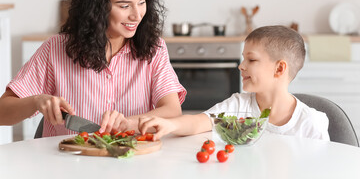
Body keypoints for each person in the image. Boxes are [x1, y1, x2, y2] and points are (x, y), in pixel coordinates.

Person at [0, 0, 186, 137]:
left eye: (142, 2)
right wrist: (36, 101)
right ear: (96, 6)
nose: (137, 15)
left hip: (130, 161)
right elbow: (2, 113)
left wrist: (128, 123)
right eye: (124, 5)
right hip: (65, 163)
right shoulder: (55, 49)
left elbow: (172, 110)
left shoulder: (154, 49)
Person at [139, 25, 330, 141]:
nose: (241, 66)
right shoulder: (238, 106)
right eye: (243, 59)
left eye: (252, 60)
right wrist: (169, 125)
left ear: (279, 69)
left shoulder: (310, 123)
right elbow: (199, 122)